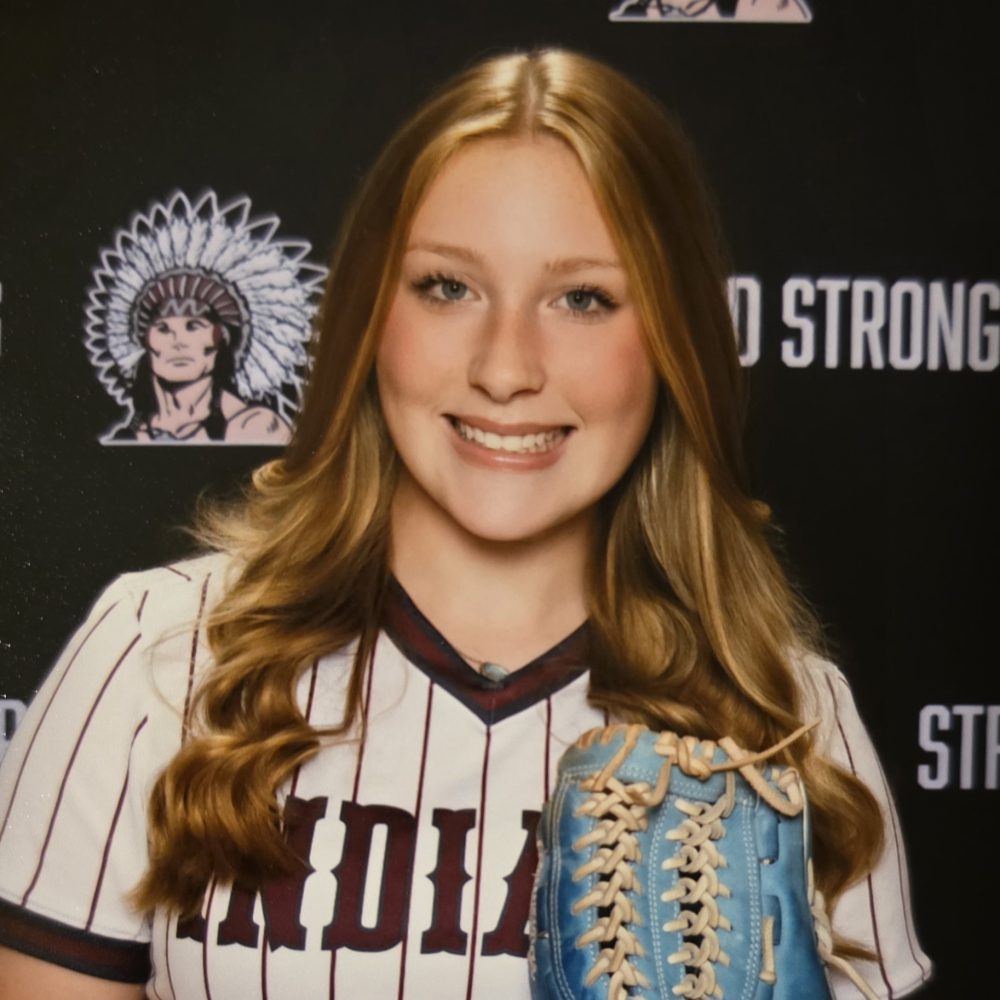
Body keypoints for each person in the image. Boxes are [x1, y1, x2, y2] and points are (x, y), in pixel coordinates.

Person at [0, 49, 930, 998]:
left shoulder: (789, 722)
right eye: (448, 286)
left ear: (674, 341)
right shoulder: (160, 653)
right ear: (369, 315)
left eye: (583, 299)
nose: (505, 368)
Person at [107, 270, 292, 444]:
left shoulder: (253, 426)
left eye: (193, 326)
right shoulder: (129, 436)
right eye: (163, 329)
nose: (178, 342)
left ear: (222, 338)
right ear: (145, 341)